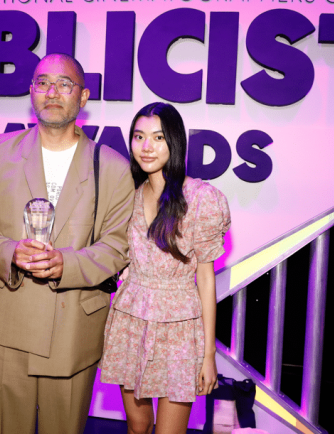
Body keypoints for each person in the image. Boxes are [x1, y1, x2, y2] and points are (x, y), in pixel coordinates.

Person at [0, 53, 135, 434]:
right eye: (43, 83)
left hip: (73, 325)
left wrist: (67, 265)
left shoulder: (111, 165)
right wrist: (10, 252)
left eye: (64, 84)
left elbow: (119, 244)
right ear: (31, 92)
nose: (52, 92)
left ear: (84, 96)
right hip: (9, 320)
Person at [100, 102, 231, 434]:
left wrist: (208, 356)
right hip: (131, 319)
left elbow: (205, 278)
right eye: (139, 136)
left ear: (174, 142)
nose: (146, 147)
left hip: (180, 330)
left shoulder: (201, 198)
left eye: (158, 137)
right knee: (137, 425)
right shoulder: (125, 193)